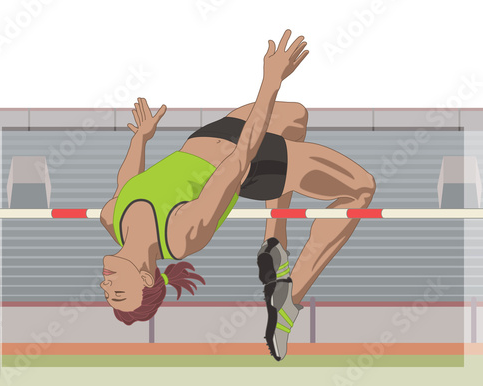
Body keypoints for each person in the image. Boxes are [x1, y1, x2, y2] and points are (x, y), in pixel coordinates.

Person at [99, 29, 376, 360]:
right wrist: (270, 82)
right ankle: (289, 299)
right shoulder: (182, 234)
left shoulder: (111, 219)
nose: (105, 287)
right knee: (361, 188)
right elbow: (240, 160)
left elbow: (128, 181)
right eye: (117, 292)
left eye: (108, 293)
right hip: (254, 159)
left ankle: (275, 245)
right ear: (146, 277)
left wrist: (141, 139)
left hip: (207, 136)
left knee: (296, 118)